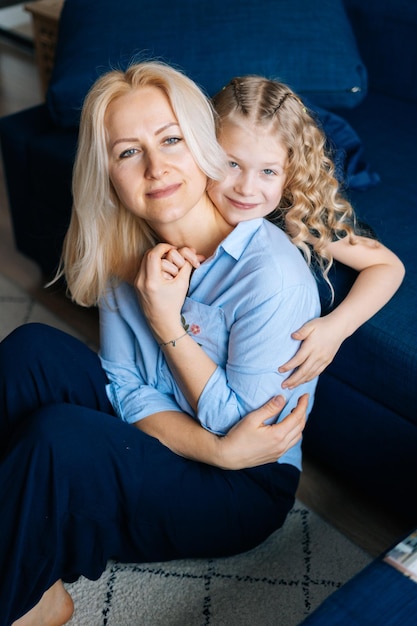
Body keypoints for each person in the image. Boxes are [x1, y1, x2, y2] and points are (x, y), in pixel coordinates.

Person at [0, 61, 318, 626]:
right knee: (29, 350)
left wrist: (166, 320)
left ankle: (21, 597)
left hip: (243, 487)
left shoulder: (271, 276)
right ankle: (32, 574)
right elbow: (122, 385)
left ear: (202, 146)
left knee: (57, 439)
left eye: (171, 139)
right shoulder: (128, 249)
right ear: (109, 173)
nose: (156, 166)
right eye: (128, 151)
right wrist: (212, 446)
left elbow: (245, 436)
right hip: (193, 443)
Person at [208, 75, 405, 390]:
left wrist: (336, 328)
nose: (246, 188)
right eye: (231, 164)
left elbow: (388, 266)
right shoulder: (186, 195)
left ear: (288, 173)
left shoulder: (293, 212)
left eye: (268, 171)